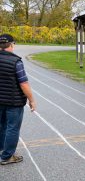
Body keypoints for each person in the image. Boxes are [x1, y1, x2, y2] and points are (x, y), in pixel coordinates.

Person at [0, 34, 36, 165]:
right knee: (12, 128)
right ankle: (7, 156)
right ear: (12, 44)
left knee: (1, 126)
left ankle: (1, 150)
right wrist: (31, 100)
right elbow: (23, 83)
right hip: (13, 102)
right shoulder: (16, 62)